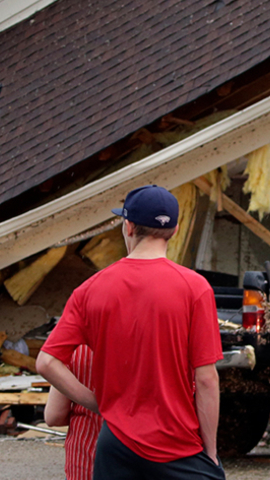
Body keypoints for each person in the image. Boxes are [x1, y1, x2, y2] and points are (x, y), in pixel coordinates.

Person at [37, 184, 225, 480]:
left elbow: (46, 362)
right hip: (177, 443)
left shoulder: (90, 290)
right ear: (175, 230)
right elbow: (206, 379)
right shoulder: (195, 288)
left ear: (128, 226)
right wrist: (211, 451)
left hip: (116, 445)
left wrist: (97, 402)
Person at [44, 345, 103, 480]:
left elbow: (53, 416)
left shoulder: (75, 348)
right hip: (145, 461)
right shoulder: (153, 342)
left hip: (86, 464)